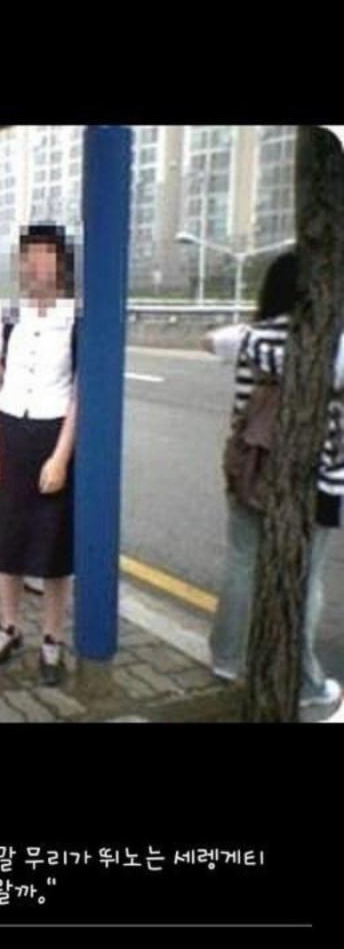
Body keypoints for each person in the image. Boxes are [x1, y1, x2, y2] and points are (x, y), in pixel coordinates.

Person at [203, 250, 344, 713]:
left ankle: (226, 660)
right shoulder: (332, 346)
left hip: (251, 469)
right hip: (315, 481)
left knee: (243, 563)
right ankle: (304, 681)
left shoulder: (248, 337)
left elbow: (208, 340)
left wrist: (252, 343)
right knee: (304, 579)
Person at [0, 223, 78, 687]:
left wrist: (61, 457)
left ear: (60, 263)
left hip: (53, 435)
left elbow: (79, 394)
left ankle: (53, 638)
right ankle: (9, 626)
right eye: (29, 256)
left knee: (55, 548)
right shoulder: (4, 316)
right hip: (9, 434)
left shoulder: (76, 319)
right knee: (8, 540)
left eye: (46, 255)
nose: (36, 265)